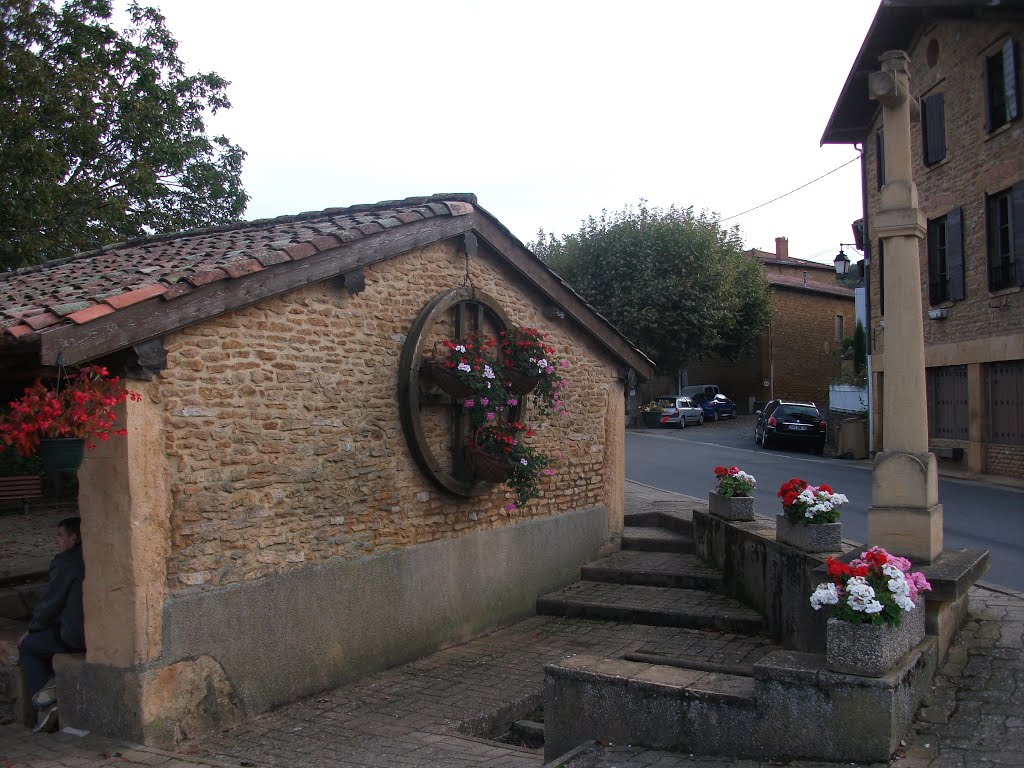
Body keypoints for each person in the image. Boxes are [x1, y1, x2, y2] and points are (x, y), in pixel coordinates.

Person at [16, 516, 85, 733]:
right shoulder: (92, 557)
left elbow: (50, 604)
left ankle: (44, 701)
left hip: (76, 636)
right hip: (93, 631)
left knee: (28, 647)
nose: (57, 540)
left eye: (60, 536)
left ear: (74, 538)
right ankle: (50, 687)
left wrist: (32, 629)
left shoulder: (66, 562)